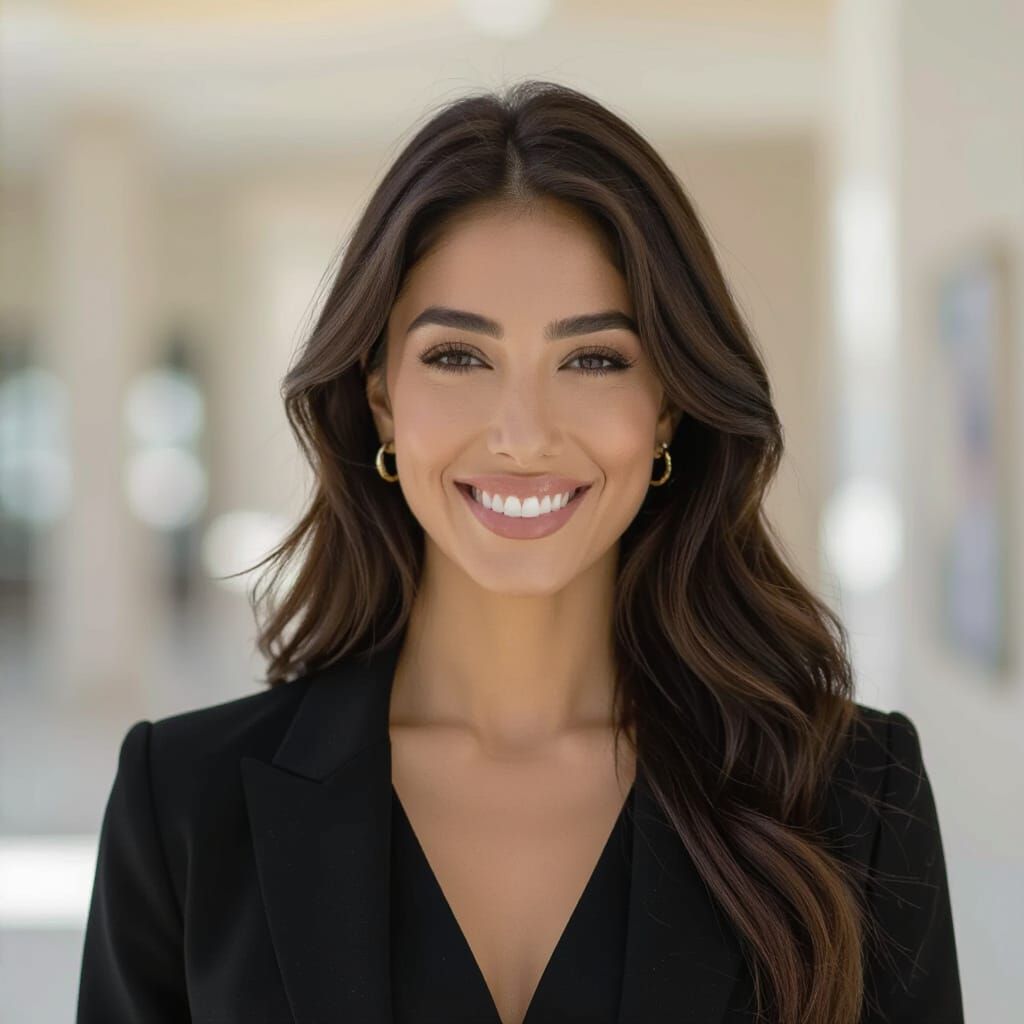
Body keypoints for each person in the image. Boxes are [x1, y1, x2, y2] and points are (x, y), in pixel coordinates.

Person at [76, 80, 964, 1024]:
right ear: (381, 395)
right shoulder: (181, 806)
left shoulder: (856, 794)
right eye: (459, 356)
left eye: (593, 360)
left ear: (666, 403)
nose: (523, 435)